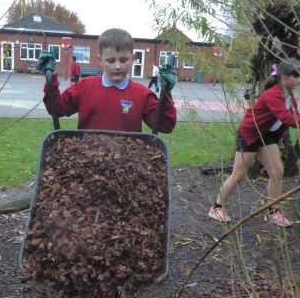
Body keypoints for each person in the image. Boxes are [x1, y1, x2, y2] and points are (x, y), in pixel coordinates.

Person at [208, 57, 300, 227]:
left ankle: (272, 213)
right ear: (283, 77)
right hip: (250, 134)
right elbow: (287, 118)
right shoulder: (273, 95)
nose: (298, 80)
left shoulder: (290, 96)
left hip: (266, 135)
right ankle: (216, 207)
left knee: (277, 172)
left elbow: (296, 116)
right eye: (295, 75)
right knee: (239, 174)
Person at [38, 28, 177, 133]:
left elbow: (165, 125)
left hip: (127, 160)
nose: (118, 66)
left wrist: (166, 92)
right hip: (87, 158)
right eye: (111, 61)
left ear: (133, 58)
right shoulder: (84, 87)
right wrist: (51, 77)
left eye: (124, 60)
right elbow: (57, 108)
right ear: (100, 60)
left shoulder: (142, 95)